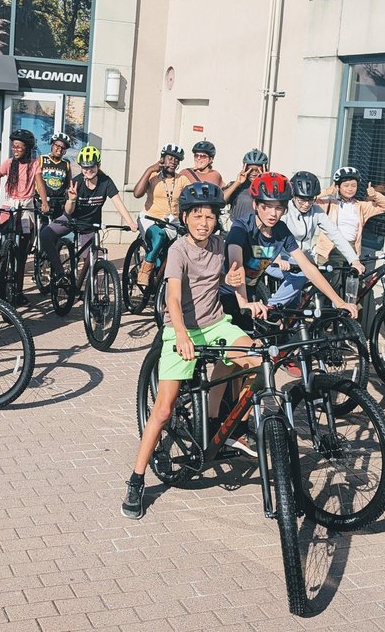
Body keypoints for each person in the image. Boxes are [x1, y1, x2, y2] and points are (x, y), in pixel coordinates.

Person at [122, 182, 267, 520]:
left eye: (211, 216)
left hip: (216, 325)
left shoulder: (221, 244)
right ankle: (136, 479)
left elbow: (236, 275)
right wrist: (183, 336)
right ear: (185, 217)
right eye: (197, 215)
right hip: (180, 328)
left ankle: (229, 427)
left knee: (261, 362)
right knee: (163, 410)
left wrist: (240, 293)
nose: (204, 222)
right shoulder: (178, 250)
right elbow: (173, 298)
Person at [222, 172, 359, 328]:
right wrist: (244, 303)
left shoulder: (281, 231)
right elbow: (236, 262)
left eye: (279, 207)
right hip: (226, 294)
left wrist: (339, 302)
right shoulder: (242, 227)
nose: (273, 213)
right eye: (266, 206)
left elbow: (307, 267)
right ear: (255, 205)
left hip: (250, 293)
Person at [40, 145, 138, 290]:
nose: (88, 170)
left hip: (91, 225)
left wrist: (130, 222)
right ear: (81, 167)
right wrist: (72, 199)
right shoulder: (76, 182)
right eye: (85, 167)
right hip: (70, 219)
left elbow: (118, 202)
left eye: (91, 166)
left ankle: (89, 292)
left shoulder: (106, 181)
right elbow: (68, 210)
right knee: (45, 235)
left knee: (92, 259)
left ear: (98, 165)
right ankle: (60, 274)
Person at [315, 166, 385, 328]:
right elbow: (311, 199)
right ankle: (323, 325)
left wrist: (375, 195)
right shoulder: (329, 203)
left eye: (353, 185)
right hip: (329, 251)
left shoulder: (361, 206)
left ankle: (345, 327)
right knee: (330, 288)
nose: (350, 189)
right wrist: (328, 191)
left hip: (351, 252)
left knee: (351, 290)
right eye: (346, 185)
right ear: (339, 187)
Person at [0, 128, 47, 305]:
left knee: (23, 250)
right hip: (10, 204)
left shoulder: (34, 165)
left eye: (19, 146)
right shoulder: (8, 163)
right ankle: (0, 276)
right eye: (13, 146)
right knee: (5, 242)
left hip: (26, 205)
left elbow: (40, 185)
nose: (15, 149)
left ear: (28, 148)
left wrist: (45, 203)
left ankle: (18, 290)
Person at [282, 170, 364, 282]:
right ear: (293, 196)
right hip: (284, 258)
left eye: (311, 199)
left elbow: (335, 234)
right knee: (295, 285)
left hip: (306, 258)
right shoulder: (284, 210)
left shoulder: (316, 211)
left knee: (320, 283)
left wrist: (354, 260)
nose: (306, 204)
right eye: (301, 200)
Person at [131, 143, 190, 287]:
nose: (173, 162)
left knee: (184, 246)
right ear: (162, 159)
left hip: (171, 222)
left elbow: (192, 194)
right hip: (149, 219)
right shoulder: (153, 176)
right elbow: (137, 193)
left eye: (177, 160)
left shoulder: (181, 179)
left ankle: (162, 278)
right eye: (170, 158)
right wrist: (150, 169)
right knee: (159, 236)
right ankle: (144, 272)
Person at [222, 148, 269, 226]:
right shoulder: (237, 186)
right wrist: (237, 183)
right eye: (250, 170)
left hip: (258, 230)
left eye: (257, 170)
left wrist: (265, 182)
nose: (253, 173)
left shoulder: (268, 187)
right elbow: (220, 200)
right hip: (237, 228)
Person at [39, 132, 74, 222]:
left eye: (63, 148)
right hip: (42, 200)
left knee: (56, 229)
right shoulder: (42, 159)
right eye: (57, 146)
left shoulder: (66, 163)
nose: (60, 149)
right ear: (52, 145)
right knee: (42, 228)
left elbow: (69, 183)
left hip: (59, 201)